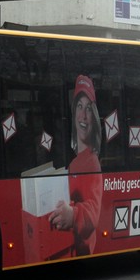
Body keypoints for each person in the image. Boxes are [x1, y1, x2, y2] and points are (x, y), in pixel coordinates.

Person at [49, 75, 103, 255]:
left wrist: (73, 215)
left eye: (89, 108)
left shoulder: (92, 161)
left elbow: (93, 213)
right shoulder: (73, 159)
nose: (83, 115)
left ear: (94, 118)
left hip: (81, 250)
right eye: (79, 106)